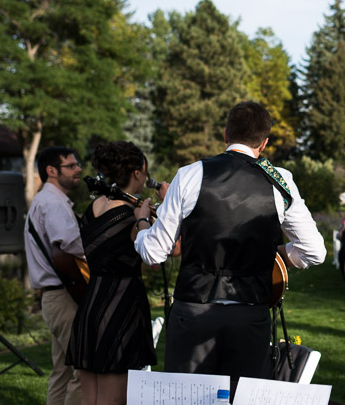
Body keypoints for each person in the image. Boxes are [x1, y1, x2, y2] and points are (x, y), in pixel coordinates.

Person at [133, 101, 326, 389]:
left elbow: (153, 252)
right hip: (249, 317)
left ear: (226, 135)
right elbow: (315, 251)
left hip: (194, 312)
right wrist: (278, 255)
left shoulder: (189, 174)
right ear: (264, 142)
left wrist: (141, 226)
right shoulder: (280, 180)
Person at [65, 142, 162, 405]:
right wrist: (155, 214)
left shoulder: (94, 207)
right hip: (121, 309)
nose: (145, 176)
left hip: (92, 305)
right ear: (136, 173)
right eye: (144, 171)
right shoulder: (134, 215)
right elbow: (161, 255)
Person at [24, 146, 85, 405]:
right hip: (63, 297)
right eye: (71, 166)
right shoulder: (54, 203)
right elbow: (73, 244)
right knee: (83, 373)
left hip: (55, 296)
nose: (78, 170)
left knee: (62, 371)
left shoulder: (45, 201)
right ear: (51, 171)